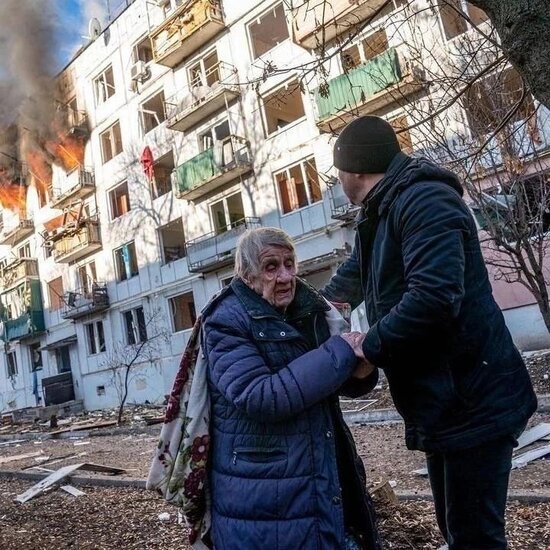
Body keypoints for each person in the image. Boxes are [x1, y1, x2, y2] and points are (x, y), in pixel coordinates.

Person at [322, 116, 537, 550]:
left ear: (356, 169)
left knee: (475, 537)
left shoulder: (425, 202)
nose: (338, 180)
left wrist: (370, 345)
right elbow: (353, 278)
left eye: (338, 171)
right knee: (459, 530)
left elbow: (435, 298)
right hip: (445, 404)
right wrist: (306, 309)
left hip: (473, 399)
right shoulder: (381, 211)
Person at [201, 227, 381, 550]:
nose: (285, 276)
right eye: (271, 267)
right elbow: (261, 396)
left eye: (289, 263)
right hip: (262, 498)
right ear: (246, 274)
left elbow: (324, 381)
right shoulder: (224, 321)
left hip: (314, 483)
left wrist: (360, 372)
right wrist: (342, 350)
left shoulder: (306, 308)